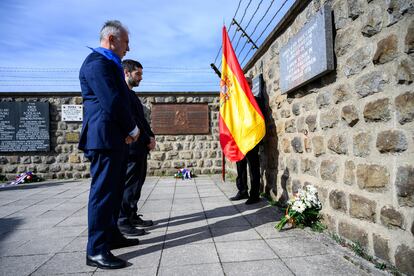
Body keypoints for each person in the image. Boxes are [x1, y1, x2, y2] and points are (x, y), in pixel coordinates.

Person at [78, 20, 140, 270]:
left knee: (114, 192)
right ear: (112, 39)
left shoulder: (110, 64)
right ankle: (96, 249)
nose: (128, 47)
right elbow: (112, 101)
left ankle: (111, 234)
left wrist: (125, 131)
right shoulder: (97, 63)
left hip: (114, 137)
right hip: (104, 139)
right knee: (103, 194)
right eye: (125, 42)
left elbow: (121, 100)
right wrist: (132, 129)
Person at [118, 59, 156, 236]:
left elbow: (142, 120)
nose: (141, 77)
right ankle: (122, 221)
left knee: (137, 185)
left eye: (141, 74)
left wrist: (151, 137)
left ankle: (132, 215)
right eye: (137, 74)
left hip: (141, 147)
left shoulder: (132, 94)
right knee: (129, 185)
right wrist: (147, 137)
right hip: (132, 147)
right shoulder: (122, 93)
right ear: (126, 72)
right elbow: (131, 120)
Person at [230, 77, 263, 205]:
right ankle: (242, 190)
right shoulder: (237, 102)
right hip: (240, 138)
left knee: (253, 167)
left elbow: (260, 120)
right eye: (245, 83)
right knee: (240, 166)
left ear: (252, 85)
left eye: (249, 83)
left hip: (252, 139)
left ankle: (255, 195)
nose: (247, 85)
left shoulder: (257, 101)